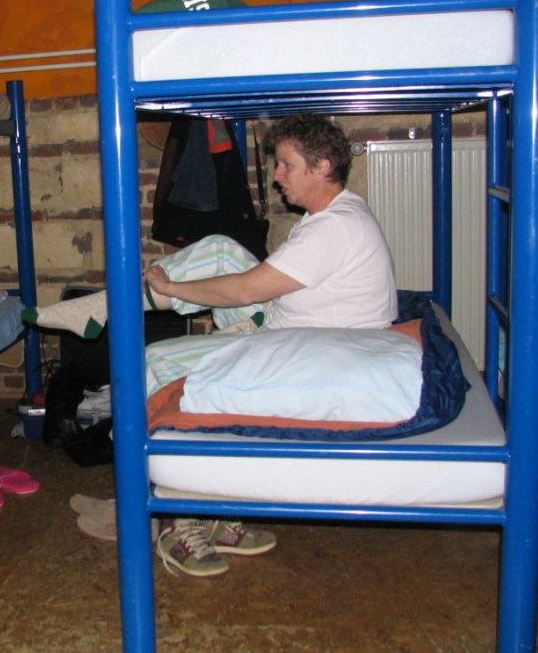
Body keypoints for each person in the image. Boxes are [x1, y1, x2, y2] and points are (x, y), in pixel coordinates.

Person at [23, 113, 397, 577]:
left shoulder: (332, 228)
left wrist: (176, 289)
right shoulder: (336, 214)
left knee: (153, 362)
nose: (277, 175)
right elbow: (267, 285)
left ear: (321, 167)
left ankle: (161, 509)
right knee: (219, 247)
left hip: (303, 350)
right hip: (294, 329)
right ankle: (106, 307)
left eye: (286, 164)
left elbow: (245, 291)